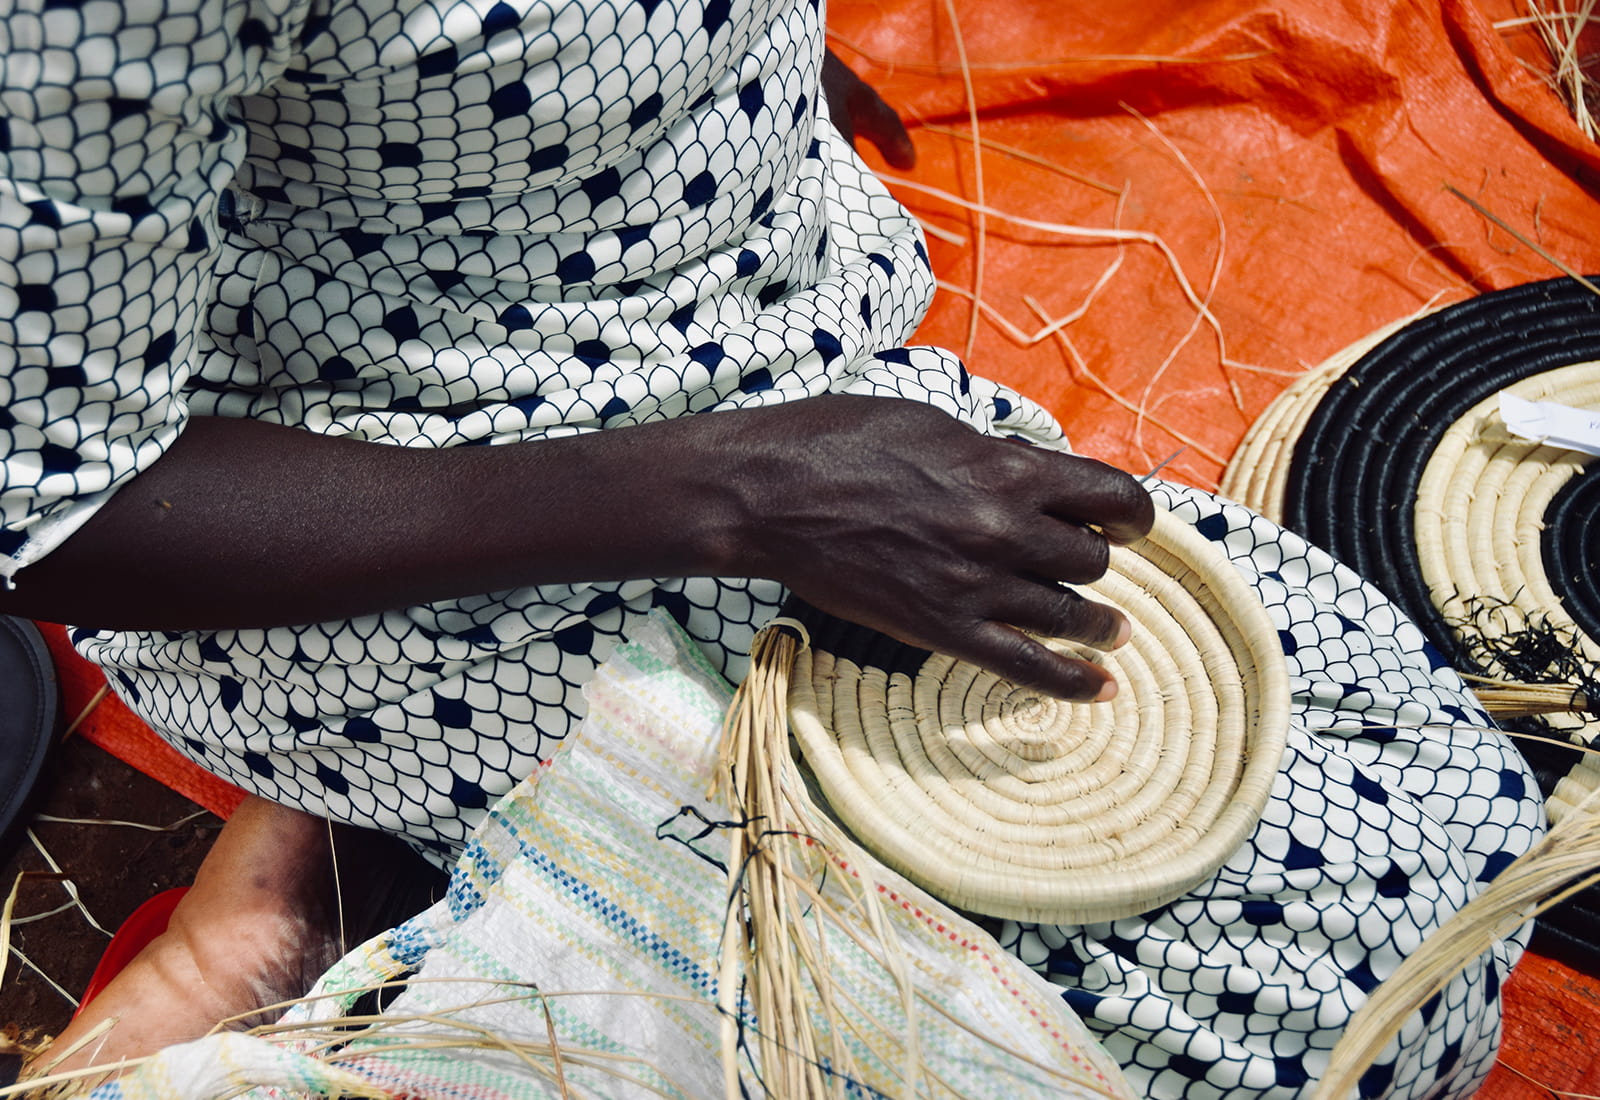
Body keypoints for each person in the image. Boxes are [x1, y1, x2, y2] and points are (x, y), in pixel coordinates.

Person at [0, 1, 1543, 1096]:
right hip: (435, 516)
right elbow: (63, 513)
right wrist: (733, 493)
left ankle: (349, 868)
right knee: (1292, 1029)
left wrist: (724, 75)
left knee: (1448, 816)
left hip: (770, 384)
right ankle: (302, 887)